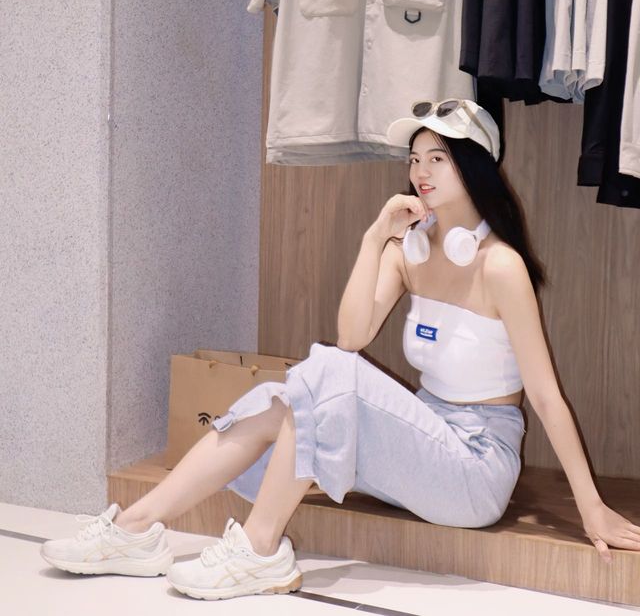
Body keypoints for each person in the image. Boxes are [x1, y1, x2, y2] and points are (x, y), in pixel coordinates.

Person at [41, 99, 640, 601]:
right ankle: (135, 530)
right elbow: (352, 335)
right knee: (278, 400)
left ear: (476, 165)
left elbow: (545, 396)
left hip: (476, 467)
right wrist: (376, 237)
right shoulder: (409, 250)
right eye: (415, 159)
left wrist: (590, 508)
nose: (421, 171)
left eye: (439, 157)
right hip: (426, 434)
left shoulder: (500, 265)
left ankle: (259, 550)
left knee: (327, 375)